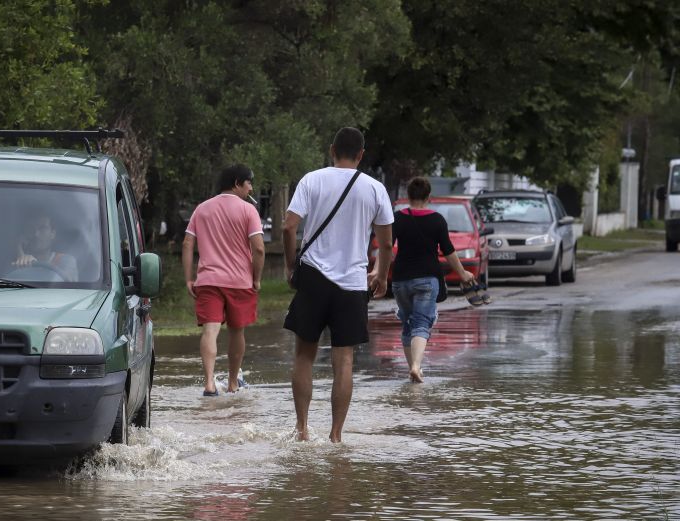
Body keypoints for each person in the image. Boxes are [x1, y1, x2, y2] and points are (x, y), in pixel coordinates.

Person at [282, 127, 394, 442]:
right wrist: (381, 275)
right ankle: (336, 435)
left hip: (314, 277)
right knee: (343, 360)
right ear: (361, 154)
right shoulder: (375, 189)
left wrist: (291, 267)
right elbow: (385, 244)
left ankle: (302, 429)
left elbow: (289, 227)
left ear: (332, 149)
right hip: (353, 282)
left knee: (304, 354)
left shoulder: (311, 180)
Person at [182, 164, 266, 396]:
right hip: (240, 282)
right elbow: (258, 249)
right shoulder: (249, 211)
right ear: (238, 183)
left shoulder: (202, 209)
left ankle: (209, 384)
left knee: (210, 331)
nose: (251, 188)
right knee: (237, 332)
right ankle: (232, 383)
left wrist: (189, 278)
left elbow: (188, 243)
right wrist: (256, 278)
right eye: (249, 183)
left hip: (208, 280)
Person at [392, 176, 476, 383]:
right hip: (426, 279)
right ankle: (416, 366)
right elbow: (448, 251)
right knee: (422, 322)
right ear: (429, 197)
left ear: (408, 196)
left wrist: (379, 273)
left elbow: (386, 247)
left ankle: (413, 370)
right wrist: (463, 273)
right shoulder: (437, 220)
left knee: (408, 322)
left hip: (400, 280)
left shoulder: (398, 218)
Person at [12, 211, 79, 281]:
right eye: (31, 228)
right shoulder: (17, 262)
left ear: (52, 233)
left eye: (42, 228)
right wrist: (19, 251)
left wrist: (34, 265)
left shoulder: (66, 260)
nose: (36, 234)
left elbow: (68, 285)